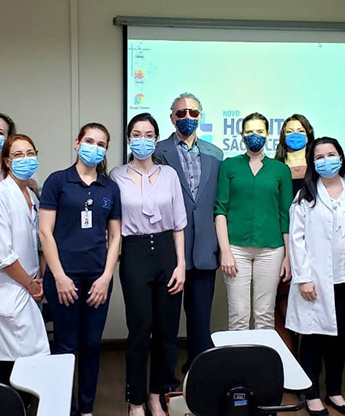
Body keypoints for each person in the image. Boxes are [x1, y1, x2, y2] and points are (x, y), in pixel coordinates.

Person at [39, 123, 122, 416]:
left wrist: (106, 277)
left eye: (101, 144)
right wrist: (59, 277)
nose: (94, 148)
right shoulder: (58, 182)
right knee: (65, 346)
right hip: (64, 278)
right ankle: (66, 408)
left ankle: (86, 408)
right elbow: (45, 233)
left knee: (91, 345)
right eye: (89, 141)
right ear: (77, 143)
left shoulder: (109, 187)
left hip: (98, 278)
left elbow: (115, 236)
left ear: (106, 150)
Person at [111, 113, 187, 416]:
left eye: (148, 134)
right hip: (134, 252)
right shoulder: (117, 176)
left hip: (167, 251)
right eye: (136, 134)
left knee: (167, 332)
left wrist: (181, 264)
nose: (143, 140)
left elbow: (179, 223)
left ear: (156, 139)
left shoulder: (168, 174)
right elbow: (114, 225)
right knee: (140, 329)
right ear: (129, 139)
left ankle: (157, 395)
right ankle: (136, 399)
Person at [287, 137, 345, 416]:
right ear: (312, 163)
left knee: (337, 339)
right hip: (315, 282)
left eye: (331, 154)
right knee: (312, 338)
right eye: (319, 157)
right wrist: (304, 278)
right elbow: (297, 241)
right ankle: (311, 393)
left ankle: (334, 390)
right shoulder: (305, 195)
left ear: (341, 158)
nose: (325, 160)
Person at [153, 92, 223, 375]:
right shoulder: (157, 151)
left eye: (193, 113)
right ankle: (165, 378)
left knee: (200, 319)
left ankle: (199, 371)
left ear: (200, 117)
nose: (187, 118)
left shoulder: (216, 154)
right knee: (166, 320)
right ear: (172, 118)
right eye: (181, 113)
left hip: (205, 248)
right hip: (172, 248)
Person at [0, 133, 50, 384]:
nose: (25, 159)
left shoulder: (32, 196)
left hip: (28, 288)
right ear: (6, 161)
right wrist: (30, 284)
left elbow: (38, 242)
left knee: (28, 364)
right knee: (9, 371)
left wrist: (38, 278)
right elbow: (0, 255)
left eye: (30, 153)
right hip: (8, 290)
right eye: (17, 155)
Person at [215, 112, 292, 331]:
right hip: (236, 249)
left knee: (264, 315)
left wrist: (288, 256)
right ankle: (239, 366)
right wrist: (225, 251)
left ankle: (263, 365)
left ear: (268, 134)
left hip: (271, 249)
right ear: (241, 135)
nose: (254, 136)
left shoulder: (280, 170)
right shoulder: (229, 166)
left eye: (259, 131)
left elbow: (284, 214)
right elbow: (220, 210)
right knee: (238, 316)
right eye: (249, 131)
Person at [274, 114, 315, 353]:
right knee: (280, 304)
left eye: (300, 130)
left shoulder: (318, 167)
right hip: (280, 244)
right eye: (289, 131)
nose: (295, 135)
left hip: (312, 246)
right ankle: (288, 363)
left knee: (308, 304)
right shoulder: (274, 168)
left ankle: (307, 365)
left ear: (309, 134)